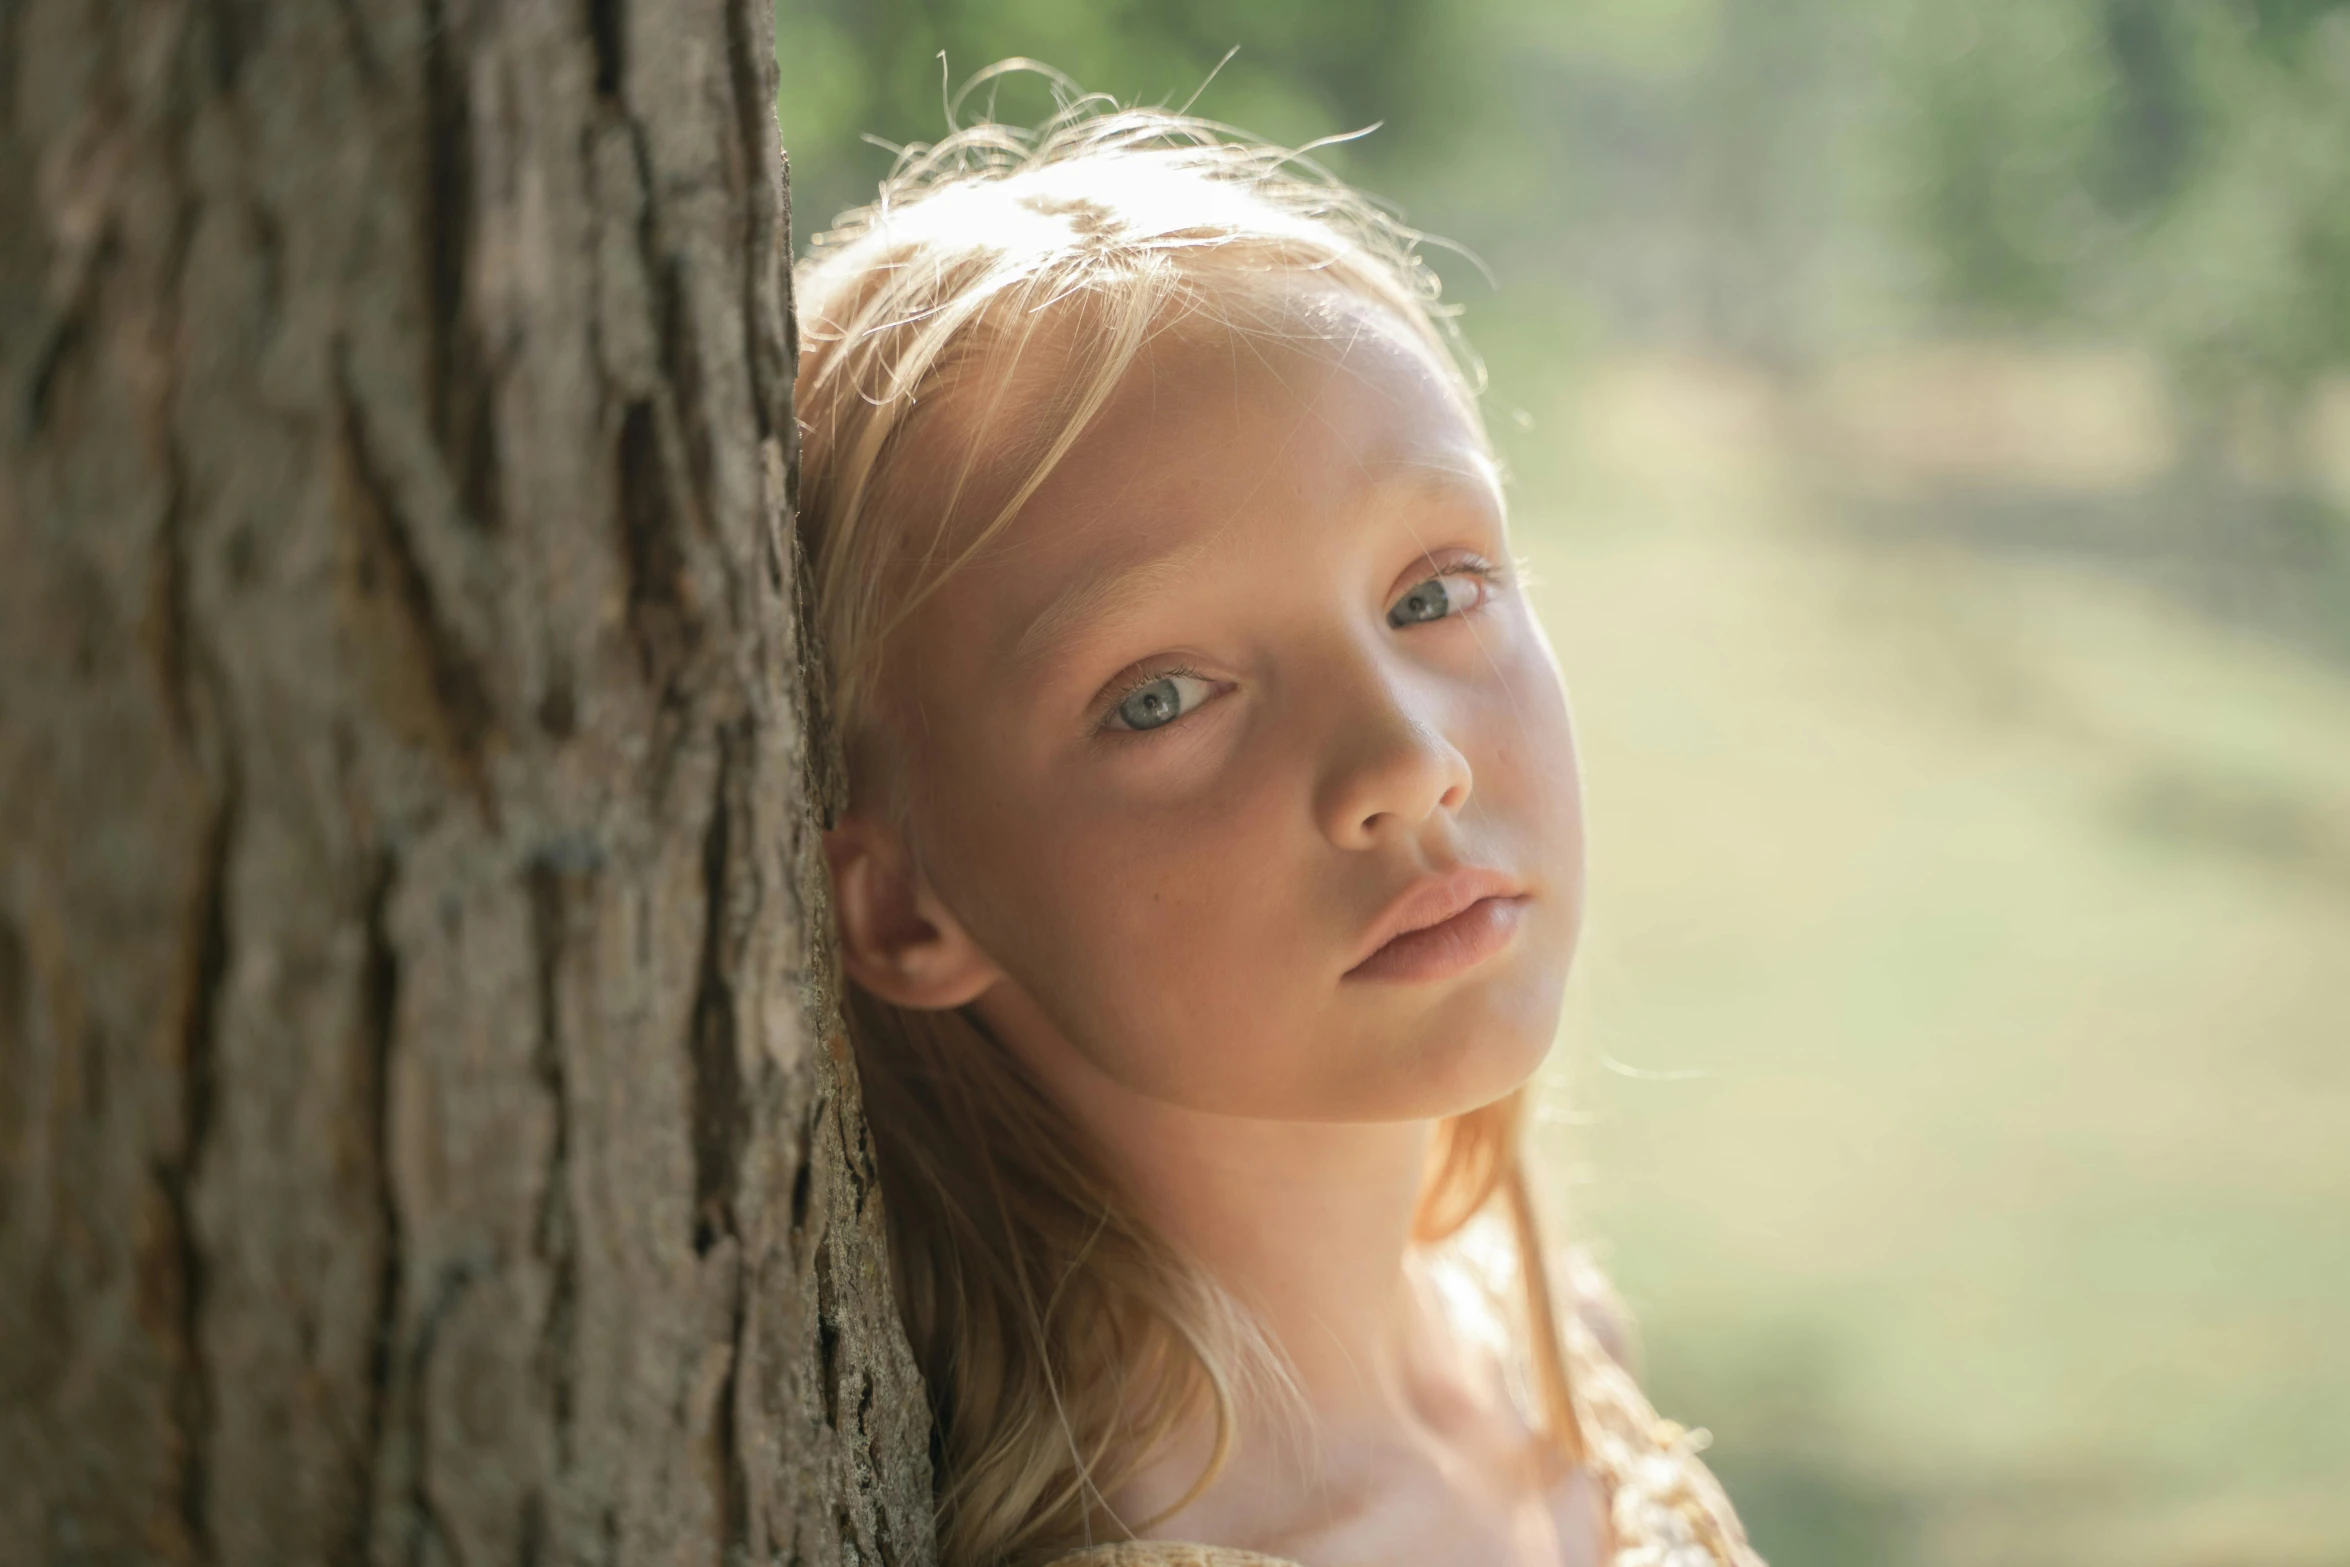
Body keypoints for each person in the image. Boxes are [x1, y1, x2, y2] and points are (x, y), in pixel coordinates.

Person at [793, 71, 1763, 1567]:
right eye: (1163, 695)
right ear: (906, 908)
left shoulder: (1549, 1342)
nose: (1403, 757)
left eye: (1429, 595)